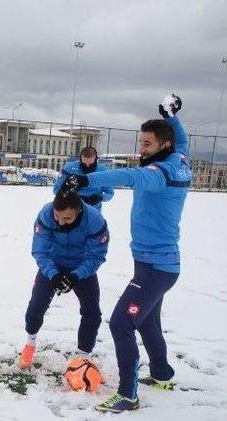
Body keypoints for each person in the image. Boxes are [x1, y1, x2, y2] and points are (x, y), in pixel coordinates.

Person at [62, 94, 191, 413]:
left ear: (163, 146)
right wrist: (171, 117)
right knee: (147, 323)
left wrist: (85, 179)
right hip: (153, 264)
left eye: (147, 143)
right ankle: (162, 374)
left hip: (155, 269)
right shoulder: (180, 158)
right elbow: (182, 140)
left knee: (121, 323)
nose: (141, 149)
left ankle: (127, 394)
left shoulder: (159, 174)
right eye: (141, 142)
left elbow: (129, 176)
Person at [19, 190, 109, 371]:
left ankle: (83, 358)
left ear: (79, 212)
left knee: (92, 312)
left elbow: (96, 256)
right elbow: (40, 251)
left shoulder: (95, 220)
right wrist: (53, 274)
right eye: (57, 216)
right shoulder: (46, 214)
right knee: (37, 305)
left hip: (83, 267)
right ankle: (30, 343)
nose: (60, 222)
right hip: (53, 263)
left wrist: (76, 275)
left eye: (67, 219)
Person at [53, 145, 114, 211]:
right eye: (84, 164)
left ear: (96, 159)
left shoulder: (103, 171)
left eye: (91, 164)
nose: (87, 166)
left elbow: (110, 193)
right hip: (72, 209)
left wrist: (100, 197)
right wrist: (66, 190)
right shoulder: (69, 168)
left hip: (94, 210)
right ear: (80, 159)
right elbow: (56, 190)